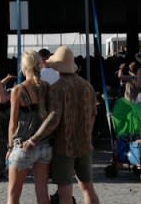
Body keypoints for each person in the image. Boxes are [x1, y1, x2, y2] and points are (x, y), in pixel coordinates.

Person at [26, 46, 98, 204]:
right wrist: (87, 136)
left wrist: (34, 138)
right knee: (87, 187)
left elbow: (54, 118)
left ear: (57, 67)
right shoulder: (88, 86)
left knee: (65, 191)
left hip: (64, 145)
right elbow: (93, 115)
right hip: (85, 144)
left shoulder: (57, 88)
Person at [6, 50, 50, 204]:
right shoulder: (47, 87)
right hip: (44, 146)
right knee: (43, 193)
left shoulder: (18, 90)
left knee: (13, 195)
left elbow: (13, 122)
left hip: (23, 146)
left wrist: (9, 148)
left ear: (24, 68)